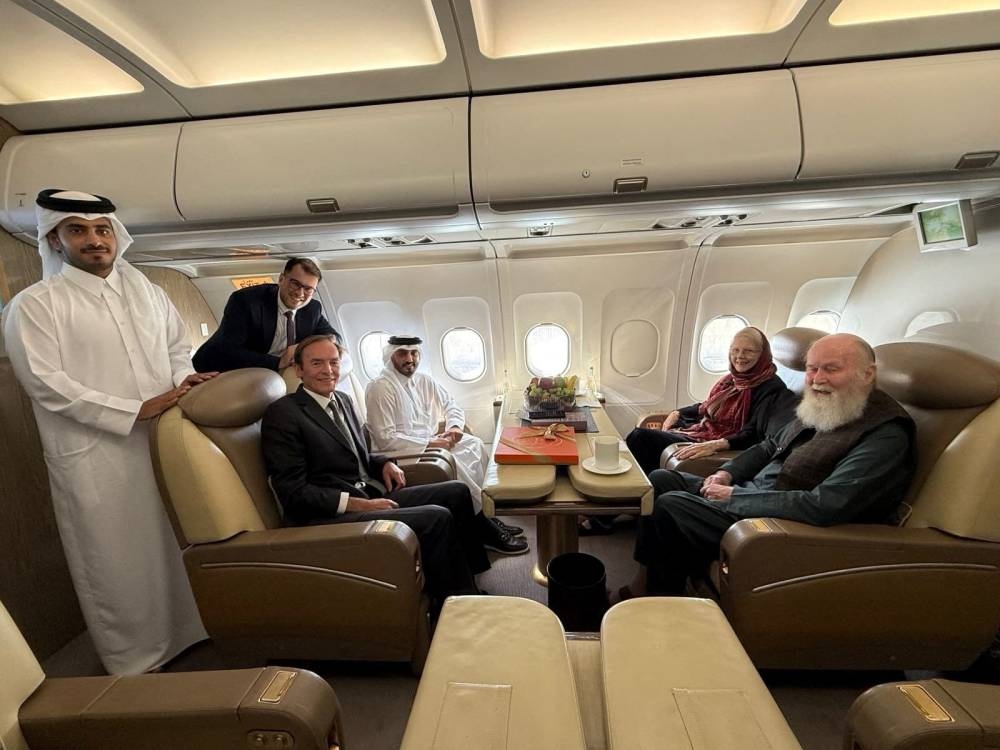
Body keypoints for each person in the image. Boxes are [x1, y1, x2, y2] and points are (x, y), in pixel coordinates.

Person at [2, 189, 216, 674]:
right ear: (54, 240)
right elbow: (46, 384)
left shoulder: (147, 290)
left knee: (171, 540)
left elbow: (177, 348)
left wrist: (184, 381)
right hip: (94, 454)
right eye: (77, 230)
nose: (94, 240)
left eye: (101, 230)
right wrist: (133, 409)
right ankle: (134, 660)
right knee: (114, 557)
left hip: (161, 441)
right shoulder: (35, 304)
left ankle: (189, 633)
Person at [624, 333, 915, 598]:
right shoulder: (827, 405)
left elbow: (825, 504)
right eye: (812, 368)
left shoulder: (884, 434)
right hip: (751, 492)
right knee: (661, 480)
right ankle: (649, 579)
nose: (817, 379)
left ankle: (658, 600)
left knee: (673, 506)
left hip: (776, 522)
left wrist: (734, 496)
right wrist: (726, 473)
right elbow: (767, 446)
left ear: (868, 374)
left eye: (832, 368)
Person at [261, 335, 499, 604]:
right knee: (436, 517)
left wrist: (382, 462)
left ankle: (471, 578)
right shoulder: (283, 414)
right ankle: (456, 602)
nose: (328, 371)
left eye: (334, 362)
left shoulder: (342, 400)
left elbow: (358, 453)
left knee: (456, 492)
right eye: (317, 363)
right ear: (298, 370)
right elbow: (292, 492)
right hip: (329, 514)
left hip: (366, 491)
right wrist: (360, 506)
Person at [583, 326, 795, 535]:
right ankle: (629, 505)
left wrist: (717, 444)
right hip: (702, 431)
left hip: (719, 443)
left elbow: (754, 433)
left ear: (763, 354)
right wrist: (677, 412)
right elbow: (706, 406)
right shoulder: (732, 380)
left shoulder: (770, 389)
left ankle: (606, 516)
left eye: (749, 351)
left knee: (640, 439)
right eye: (735, 350)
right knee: (640, 440)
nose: (740, 356)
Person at [365, 334, 528, 554]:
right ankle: (483, 529)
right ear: (391, 355)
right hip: (401, 455)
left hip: (431, 443)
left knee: (475, 445)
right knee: (456, 463)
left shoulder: (423, 380)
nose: (409, 358)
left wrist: (454, 428)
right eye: (403, 353)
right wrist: (431, 442)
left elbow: (451, 404)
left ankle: (485, 514)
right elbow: (385, 438)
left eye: (414, 353)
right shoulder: (380, 388)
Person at [192, 257, 340, 373]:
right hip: (216, 369)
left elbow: (334, 337)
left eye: (308, 289)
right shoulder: (246, 301)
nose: (300, 293)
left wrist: (302, 348)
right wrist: (278, 362)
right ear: (281, 279)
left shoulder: (312, 309)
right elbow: (229, 351)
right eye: (295, 284)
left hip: (265, 372)